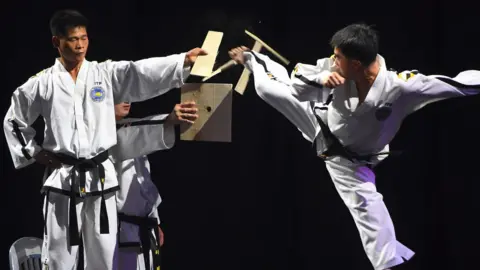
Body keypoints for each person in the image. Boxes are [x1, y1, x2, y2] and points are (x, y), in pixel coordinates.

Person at [227, 24, 480, 270]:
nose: (333, 61)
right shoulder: (334, 67)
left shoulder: (400, 87)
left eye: (338, 57)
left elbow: (456, 84)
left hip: (350, 160)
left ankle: (388, 265)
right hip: (319, 122)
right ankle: (251, 57)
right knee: (267, 88)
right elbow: (298, 84)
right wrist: (321, 79)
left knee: (367, 210)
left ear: (356, 64)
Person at [3, 9, 206, 270]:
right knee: (58, 257)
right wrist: (34, 152)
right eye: (72, 40)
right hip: (64, 180)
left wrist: (181, 62)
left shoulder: (103, 74)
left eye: (84, 38)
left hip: (101, 180)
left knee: (104, 257)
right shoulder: (42, 83)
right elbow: (13, 120)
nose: (80, 46)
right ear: (56, 42)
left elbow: (138, 72)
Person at [111, 101, 198, 270]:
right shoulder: (100, 137)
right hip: (119, 231)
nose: (127, 100)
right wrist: (169, 120)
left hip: (143, 227)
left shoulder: (131, 128)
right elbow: (140, 132)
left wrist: (154, 219)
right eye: (120, 96)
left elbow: (144, 183)